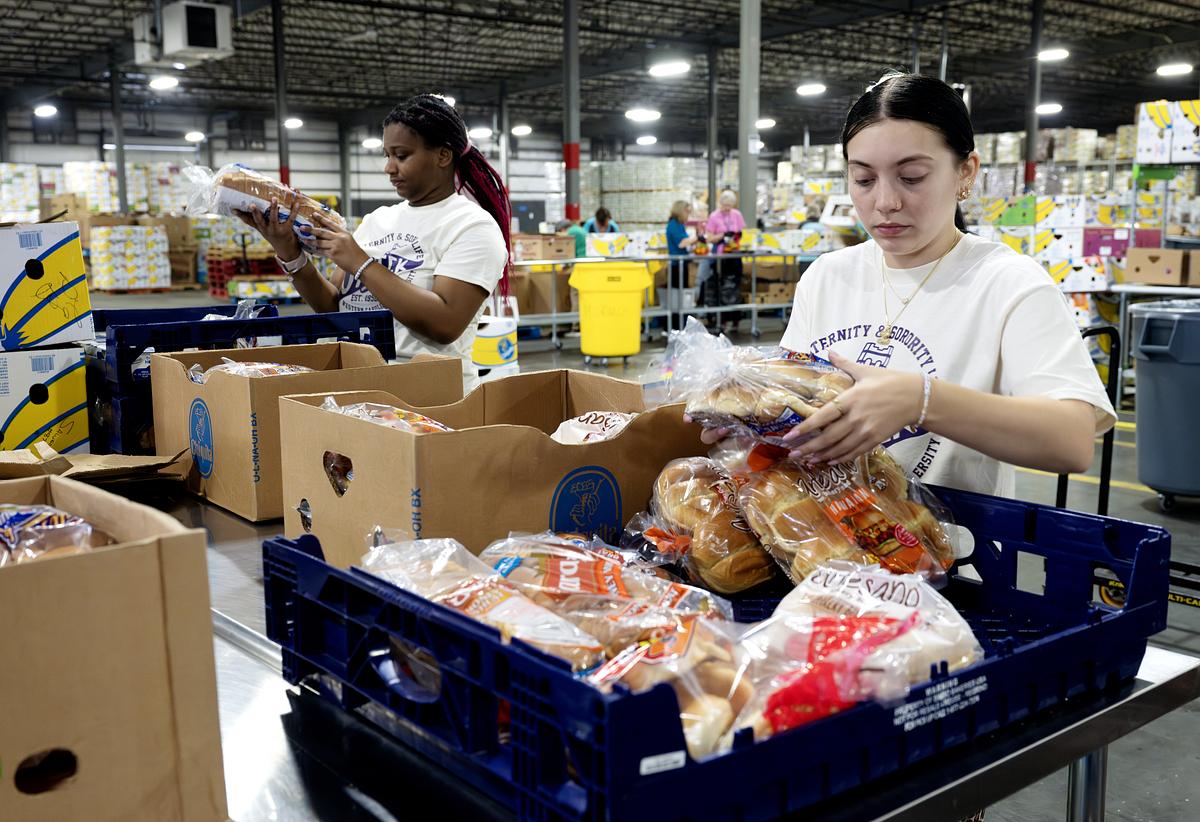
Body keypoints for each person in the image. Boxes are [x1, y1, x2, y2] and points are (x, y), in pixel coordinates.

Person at [770, 72, 1114, 498]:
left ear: (965, 172)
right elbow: (789, 400)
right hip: (823, 547)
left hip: (951, 553)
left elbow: (1071, 439)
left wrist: (921, 400)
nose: (885, 202)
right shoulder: (826, 277)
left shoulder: (1007, 283)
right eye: (863, 179)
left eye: (911, 177)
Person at [235, 94, 510, 392]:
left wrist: (362, 263)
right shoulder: (378, 220)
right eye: (387, 155)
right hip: (361, 383)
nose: (389, 168)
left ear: (443, 156)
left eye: (401, 156)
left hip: (429, 394)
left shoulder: (472, 226)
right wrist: (289, 252)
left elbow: (445, 324)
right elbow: (333, 306)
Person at [703, 190, 746, 335]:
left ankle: (735, 320)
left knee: (735, 287)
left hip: (734, 255)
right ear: (720, 203)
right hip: (720, 257)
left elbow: (742, 233)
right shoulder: (714, 216)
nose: (727, 208)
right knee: (721, 287)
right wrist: (721, 236)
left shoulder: (737, 215)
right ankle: (722, 320)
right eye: (725, 205)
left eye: (730, 205)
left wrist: (737, 236)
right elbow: (708, 237)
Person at [665, 200, 699, 330]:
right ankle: (676, 326)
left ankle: (681, 324)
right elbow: (681, 243)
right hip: (676, 266)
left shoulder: (679, 225)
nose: (688, 215)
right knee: (677, 297)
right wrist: (696, 238)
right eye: (687, 212)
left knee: (681, 296)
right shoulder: (674, 225)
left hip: (682, 264)